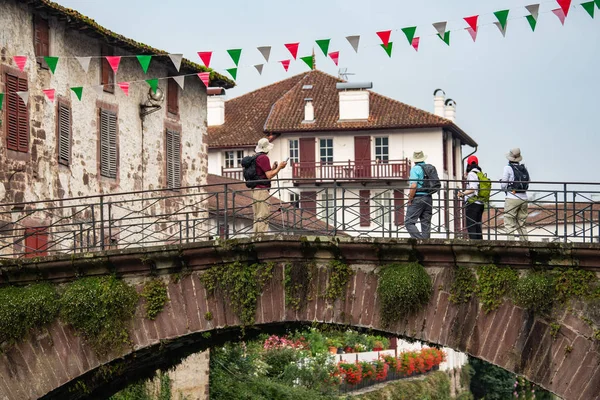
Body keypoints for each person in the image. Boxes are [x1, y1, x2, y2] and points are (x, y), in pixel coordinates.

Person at [252, 138, 287, 235]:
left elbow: (264, 174)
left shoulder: (255, 157)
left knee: (257, 215)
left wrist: (273, 169)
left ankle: (255, 236)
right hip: (262, 191)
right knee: (263, 215)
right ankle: (261, 237)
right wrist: (280, 167)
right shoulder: (263, 158)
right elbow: (269, 176)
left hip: (255, 190)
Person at [501, 148, 529, 241]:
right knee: (521, 223)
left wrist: (503, 185)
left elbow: (504, 184)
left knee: (509, 222)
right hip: (524, 197)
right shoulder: (523, 168)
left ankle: (511, 243)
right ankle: (525, 243)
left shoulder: (508, 168)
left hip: (512, 197)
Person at [406, 151, 433, 239]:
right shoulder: (428, 168)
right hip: (428, 197)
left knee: (409, 222)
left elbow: (414, 185)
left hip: (418, 197)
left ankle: (419, 241)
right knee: (425, 223)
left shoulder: (415, 169)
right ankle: (426, 245)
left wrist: (410, 198)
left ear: (414, 160)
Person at [458, 155, 485, 240]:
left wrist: (462, 193)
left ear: (468, 164)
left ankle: (474, 245)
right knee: (477, 226)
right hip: (480, 203)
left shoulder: (472, 174)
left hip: (473, 203)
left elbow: (473, 188)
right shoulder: (480, 173)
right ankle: (480, 244)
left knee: (471, 226)